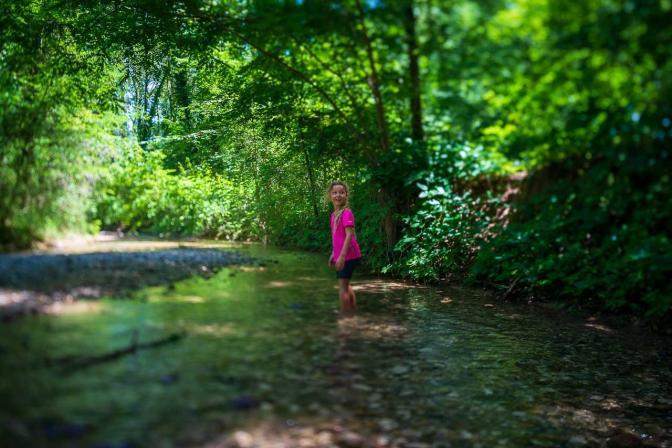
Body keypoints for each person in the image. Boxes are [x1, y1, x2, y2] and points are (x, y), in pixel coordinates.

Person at [327, 181, 362, 314]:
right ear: (330, 195)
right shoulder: (333, 215)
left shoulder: (346, 213)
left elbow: (349, 235)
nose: (338, 195)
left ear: (346, 195)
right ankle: (353, 310)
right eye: (335, 193)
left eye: (341, 192)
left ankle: (346, 320)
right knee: (345, 284)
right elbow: (337, 237)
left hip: (348, 255)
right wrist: (333, 253)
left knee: (342, 287)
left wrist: (341, 257)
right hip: (342, 254)